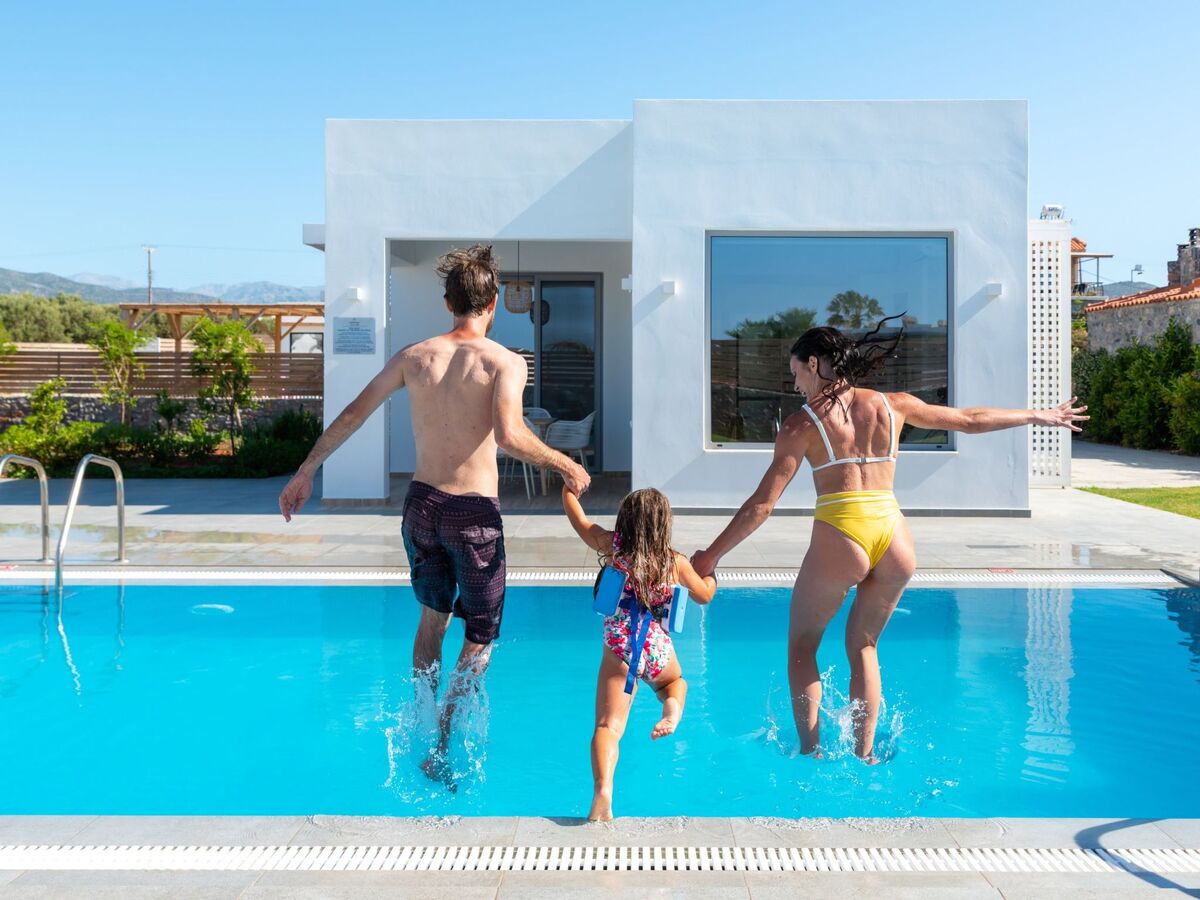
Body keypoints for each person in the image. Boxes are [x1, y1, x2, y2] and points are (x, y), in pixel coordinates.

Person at [690, 320, 1087, 762]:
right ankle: (865, 755)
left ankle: (811, 753)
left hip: (844, 532)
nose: (796, 383)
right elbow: (969, 420)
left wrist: (711, 555)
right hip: (893, 533)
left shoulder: (803, 424)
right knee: (863, 645)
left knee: (802, 646)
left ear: (814, 364)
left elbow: (763, 505)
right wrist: (1037, 415)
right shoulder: (892, 404)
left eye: (797, 371)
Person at [278, 244, 591, 784]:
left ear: (448, 302)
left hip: (421, 505)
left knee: (431, 619)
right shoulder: (504, 361)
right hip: (473, 515)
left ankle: (421, 720)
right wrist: (566, 463)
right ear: (493, 303)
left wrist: (306, 470)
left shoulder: (414, 357)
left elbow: (353, 413)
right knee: (481, 634)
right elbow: (511, 435)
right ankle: (442, 742)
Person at [562, 485, 717, 821]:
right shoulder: (675, 562)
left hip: (620, 646)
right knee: (674, 683)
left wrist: (568, 490)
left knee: (608, 727)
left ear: (625, 521)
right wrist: (712, 574)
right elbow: (704, 595)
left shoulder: (612, 548)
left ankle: (603, 789)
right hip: (656, 647)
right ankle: (671, 711)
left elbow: (580, 522)